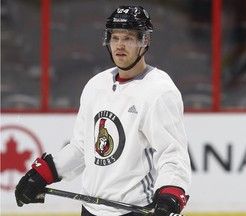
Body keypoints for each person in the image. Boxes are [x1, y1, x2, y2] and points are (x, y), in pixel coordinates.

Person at [15, 5, 192, 216]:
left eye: (128, 38)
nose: (120, 45)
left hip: (133, 211)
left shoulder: (160, 91)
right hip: (89, 209)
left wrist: (171, 194)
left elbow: (172, 153)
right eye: (115, 37)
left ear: (144, 41)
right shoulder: (95, 85)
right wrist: (44, 173)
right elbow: (82, 148)